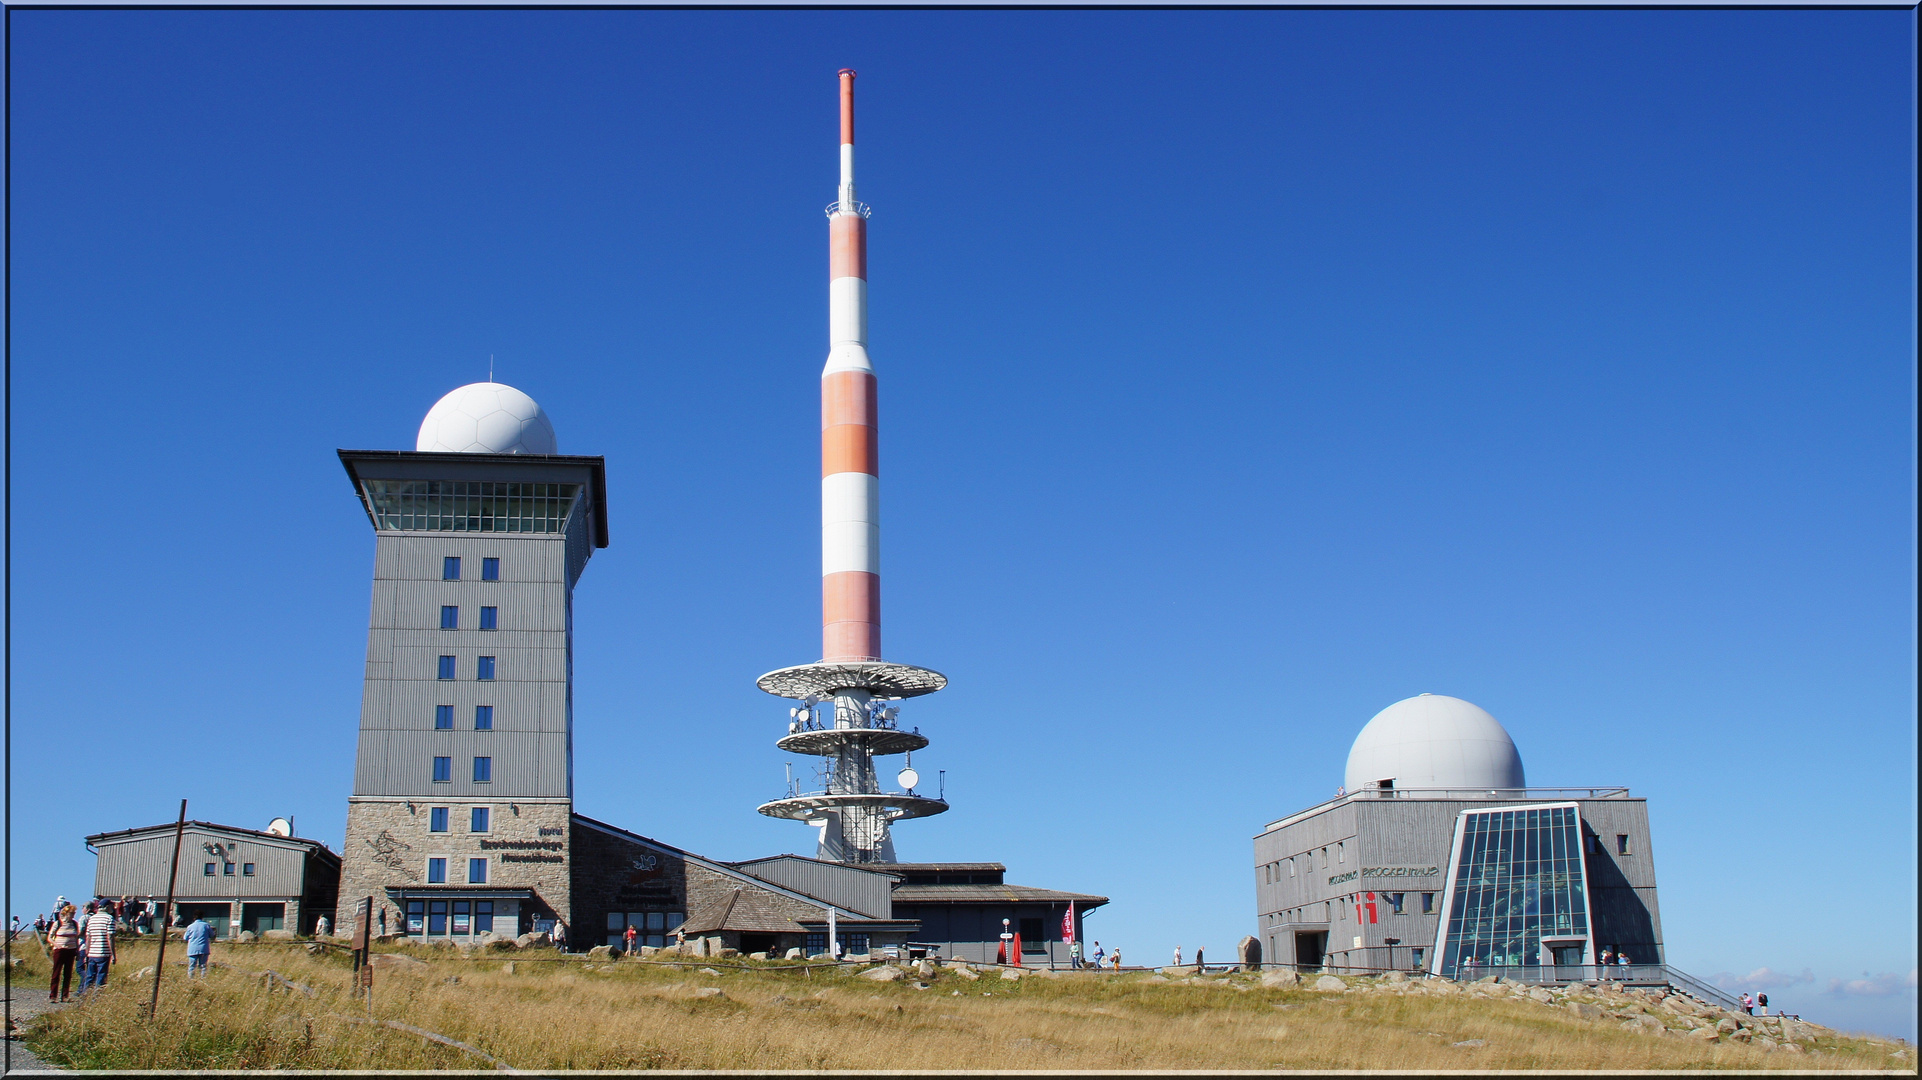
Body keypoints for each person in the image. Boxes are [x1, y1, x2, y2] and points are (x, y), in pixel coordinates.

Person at [80, 902, 116, 993]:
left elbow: (88, 937)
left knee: (90, 976)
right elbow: (110, 937)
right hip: (103, 952)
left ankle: (85, 996)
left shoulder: (91, 919)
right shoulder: (109, 918)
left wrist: (87, 953)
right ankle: (96, 998)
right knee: (101, 976)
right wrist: (113, 954)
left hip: (92, 952)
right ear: (107, 907)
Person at [47, 906, 82, 1002]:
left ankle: (65, 996)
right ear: (66, 914)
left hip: (71, 950)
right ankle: (53, 995)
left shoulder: (74, 924)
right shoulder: (58, 923)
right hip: (60, 950)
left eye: (74, 913)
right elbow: (49, 937)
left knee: (68, 974)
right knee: (56, 973)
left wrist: (77, 951)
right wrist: (55, 944)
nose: (73, 915)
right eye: (71, 913)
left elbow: (76, 938)